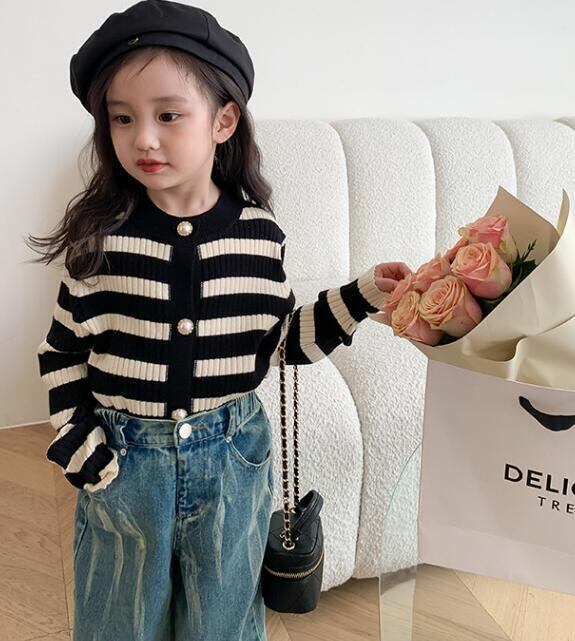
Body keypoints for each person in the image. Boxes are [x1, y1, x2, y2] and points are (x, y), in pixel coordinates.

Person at [27, 1, 411, 640]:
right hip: (126, 466)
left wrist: (365, 293)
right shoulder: (101, 241)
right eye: (122, 118)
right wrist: (81, 449)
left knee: (224, 620)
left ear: (223, 121)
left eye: (168, 115)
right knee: (119, 621)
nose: (143, 138)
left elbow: (283, 343)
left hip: (233, 462)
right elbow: (62, 351)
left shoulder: (259, 236)